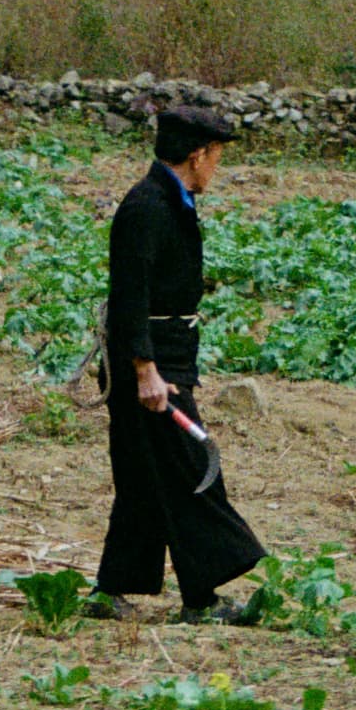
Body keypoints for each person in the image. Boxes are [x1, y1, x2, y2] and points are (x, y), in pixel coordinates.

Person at [88, 102, 266, 624]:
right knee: (194, 470)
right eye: (217, 157)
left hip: (165, 359)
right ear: (198, 154)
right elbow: (130, 295)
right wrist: (145, 369)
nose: (217, 168)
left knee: (144, 478)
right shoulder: (147, 207)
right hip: (149, 365)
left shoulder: (174, 202)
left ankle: (109, 592)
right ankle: (202, 599)